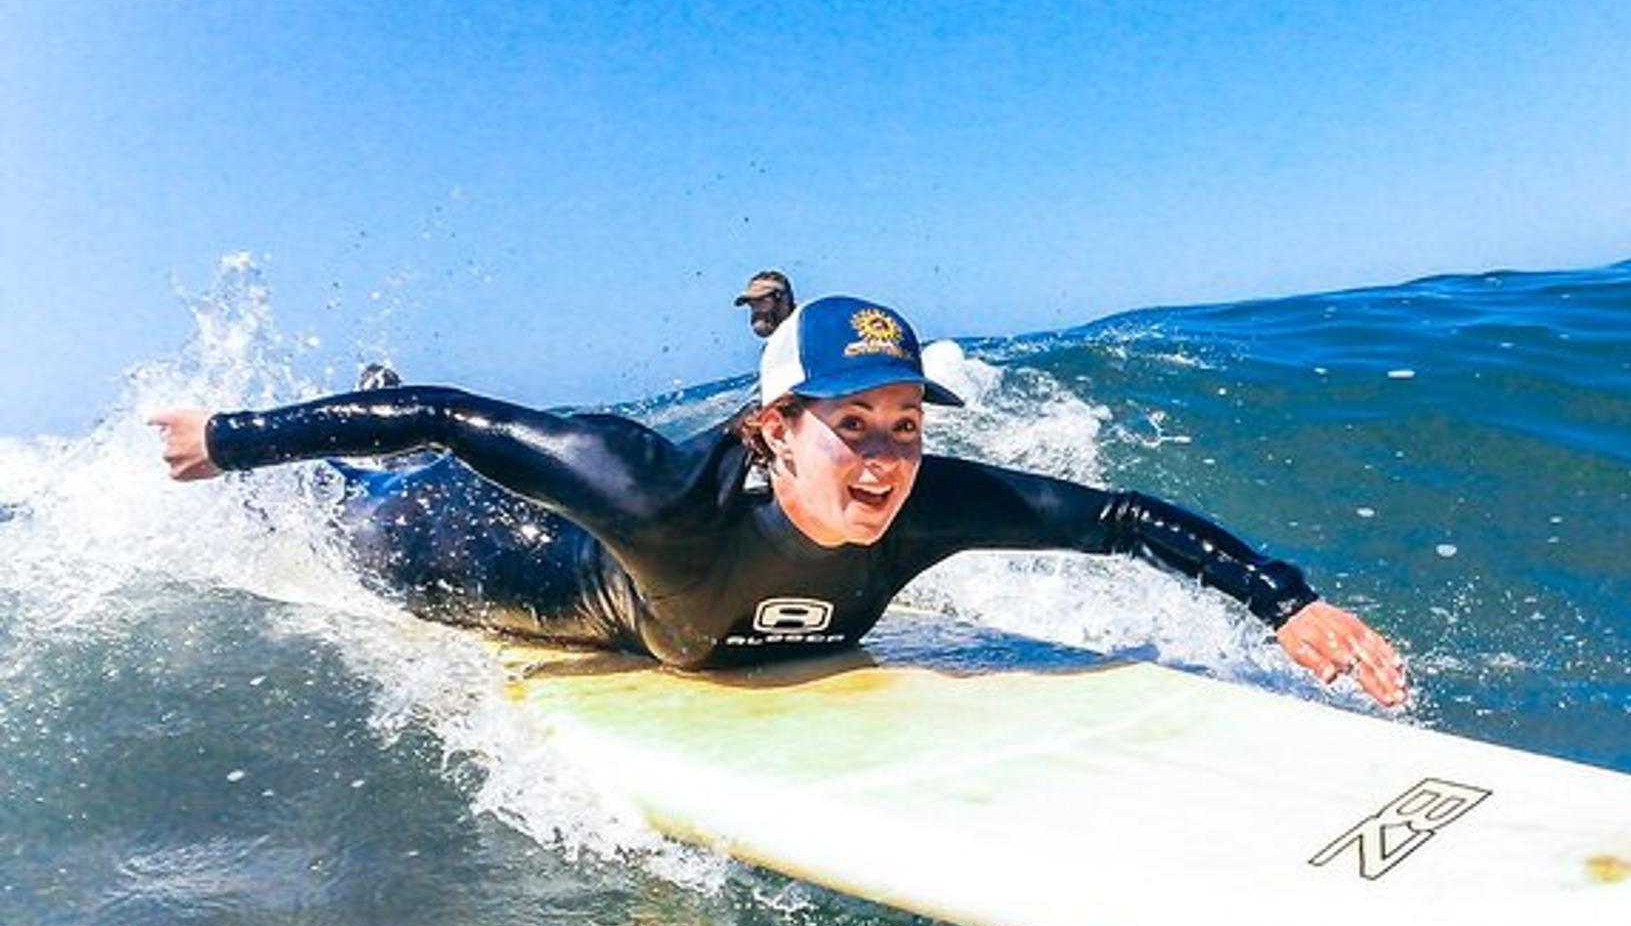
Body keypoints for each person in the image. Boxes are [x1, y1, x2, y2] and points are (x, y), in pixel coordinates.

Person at [146, 295, 1407, 705]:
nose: (884, 456)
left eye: (904, 426)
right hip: (492, 559)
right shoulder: (648, 488)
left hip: (641, 601)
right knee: (378, 501)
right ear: (770, 431)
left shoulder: (920, 505)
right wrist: (235, 437)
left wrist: (1281, 604)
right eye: (850, 424)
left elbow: (1120, 519)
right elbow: (445, 407)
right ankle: (309, 480)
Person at [735, 270, 796, 338]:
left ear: (783, 301)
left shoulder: (806, 330)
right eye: (751, 303)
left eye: (761, 300)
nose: (756, 309)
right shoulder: (776, 344)